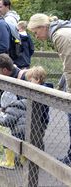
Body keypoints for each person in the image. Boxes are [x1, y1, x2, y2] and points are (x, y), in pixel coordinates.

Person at [27, 13, 71, 165]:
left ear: (43, 27)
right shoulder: (61, 32)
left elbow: (69, 68)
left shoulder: (60, 36)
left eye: (36, 32)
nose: (36, 36)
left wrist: (69, 94)